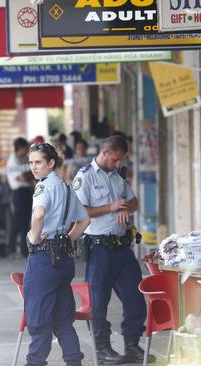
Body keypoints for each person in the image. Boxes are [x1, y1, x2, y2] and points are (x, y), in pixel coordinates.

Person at [73, 135, 153, 364]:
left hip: (122, 248)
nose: (119, 164)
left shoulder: (118, 176)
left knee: (135, 297)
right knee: (97, 302)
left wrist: (124, 206)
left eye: (121, 160)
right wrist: (110, 207)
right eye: (116, 159)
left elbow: (134, 202)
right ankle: (103, 348)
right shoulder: (85, 176)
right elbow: (80, 211)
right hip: (98, 250)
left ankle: (132, 345)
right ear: (105, 153)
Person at [23, 142, 90, 366]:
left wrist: (34, 236)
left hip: (44, 259)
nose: (33, 167)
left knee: (39, 320)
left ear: (51, 163)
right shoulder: (65, 186)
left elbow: (39, 214)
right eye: (31, 162)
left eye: (38, 162)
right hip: (63, 259)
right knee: (63, 320)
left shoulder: (44, 186)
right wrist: (69, 239)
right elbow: (85, 220)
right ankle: (74, 362)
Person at [5, 137, 33, 257]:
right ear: (19, 148)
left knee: (26, 222)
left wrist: (30, 175)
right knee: (17, 221)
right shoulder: (13, 160)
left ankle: (23, 249)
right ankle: (10, 248)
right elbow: (21, 177)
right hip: (18, 192)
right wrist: (30, 175)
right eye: (25, 148)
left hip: (28, 191)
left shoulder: (25, 159)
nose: (27, 150)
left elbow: (32, 173)